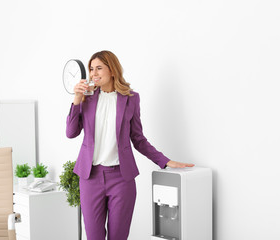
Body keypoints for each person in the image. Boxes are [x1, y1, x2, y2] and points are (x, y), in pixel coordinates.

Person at [66, 50, 194, 240]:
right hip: (90, 178)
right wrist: (77, 99)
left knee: (119, 237)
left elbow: (138, 138)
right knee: (94, 237)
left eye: (99, 68)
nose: (93, 74)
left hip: (121, 179)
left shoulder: (131, 98)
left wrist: (165, 161)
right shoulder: (87, 97)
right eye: (91, 69)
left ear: (112, 70)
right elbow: (71, 133)